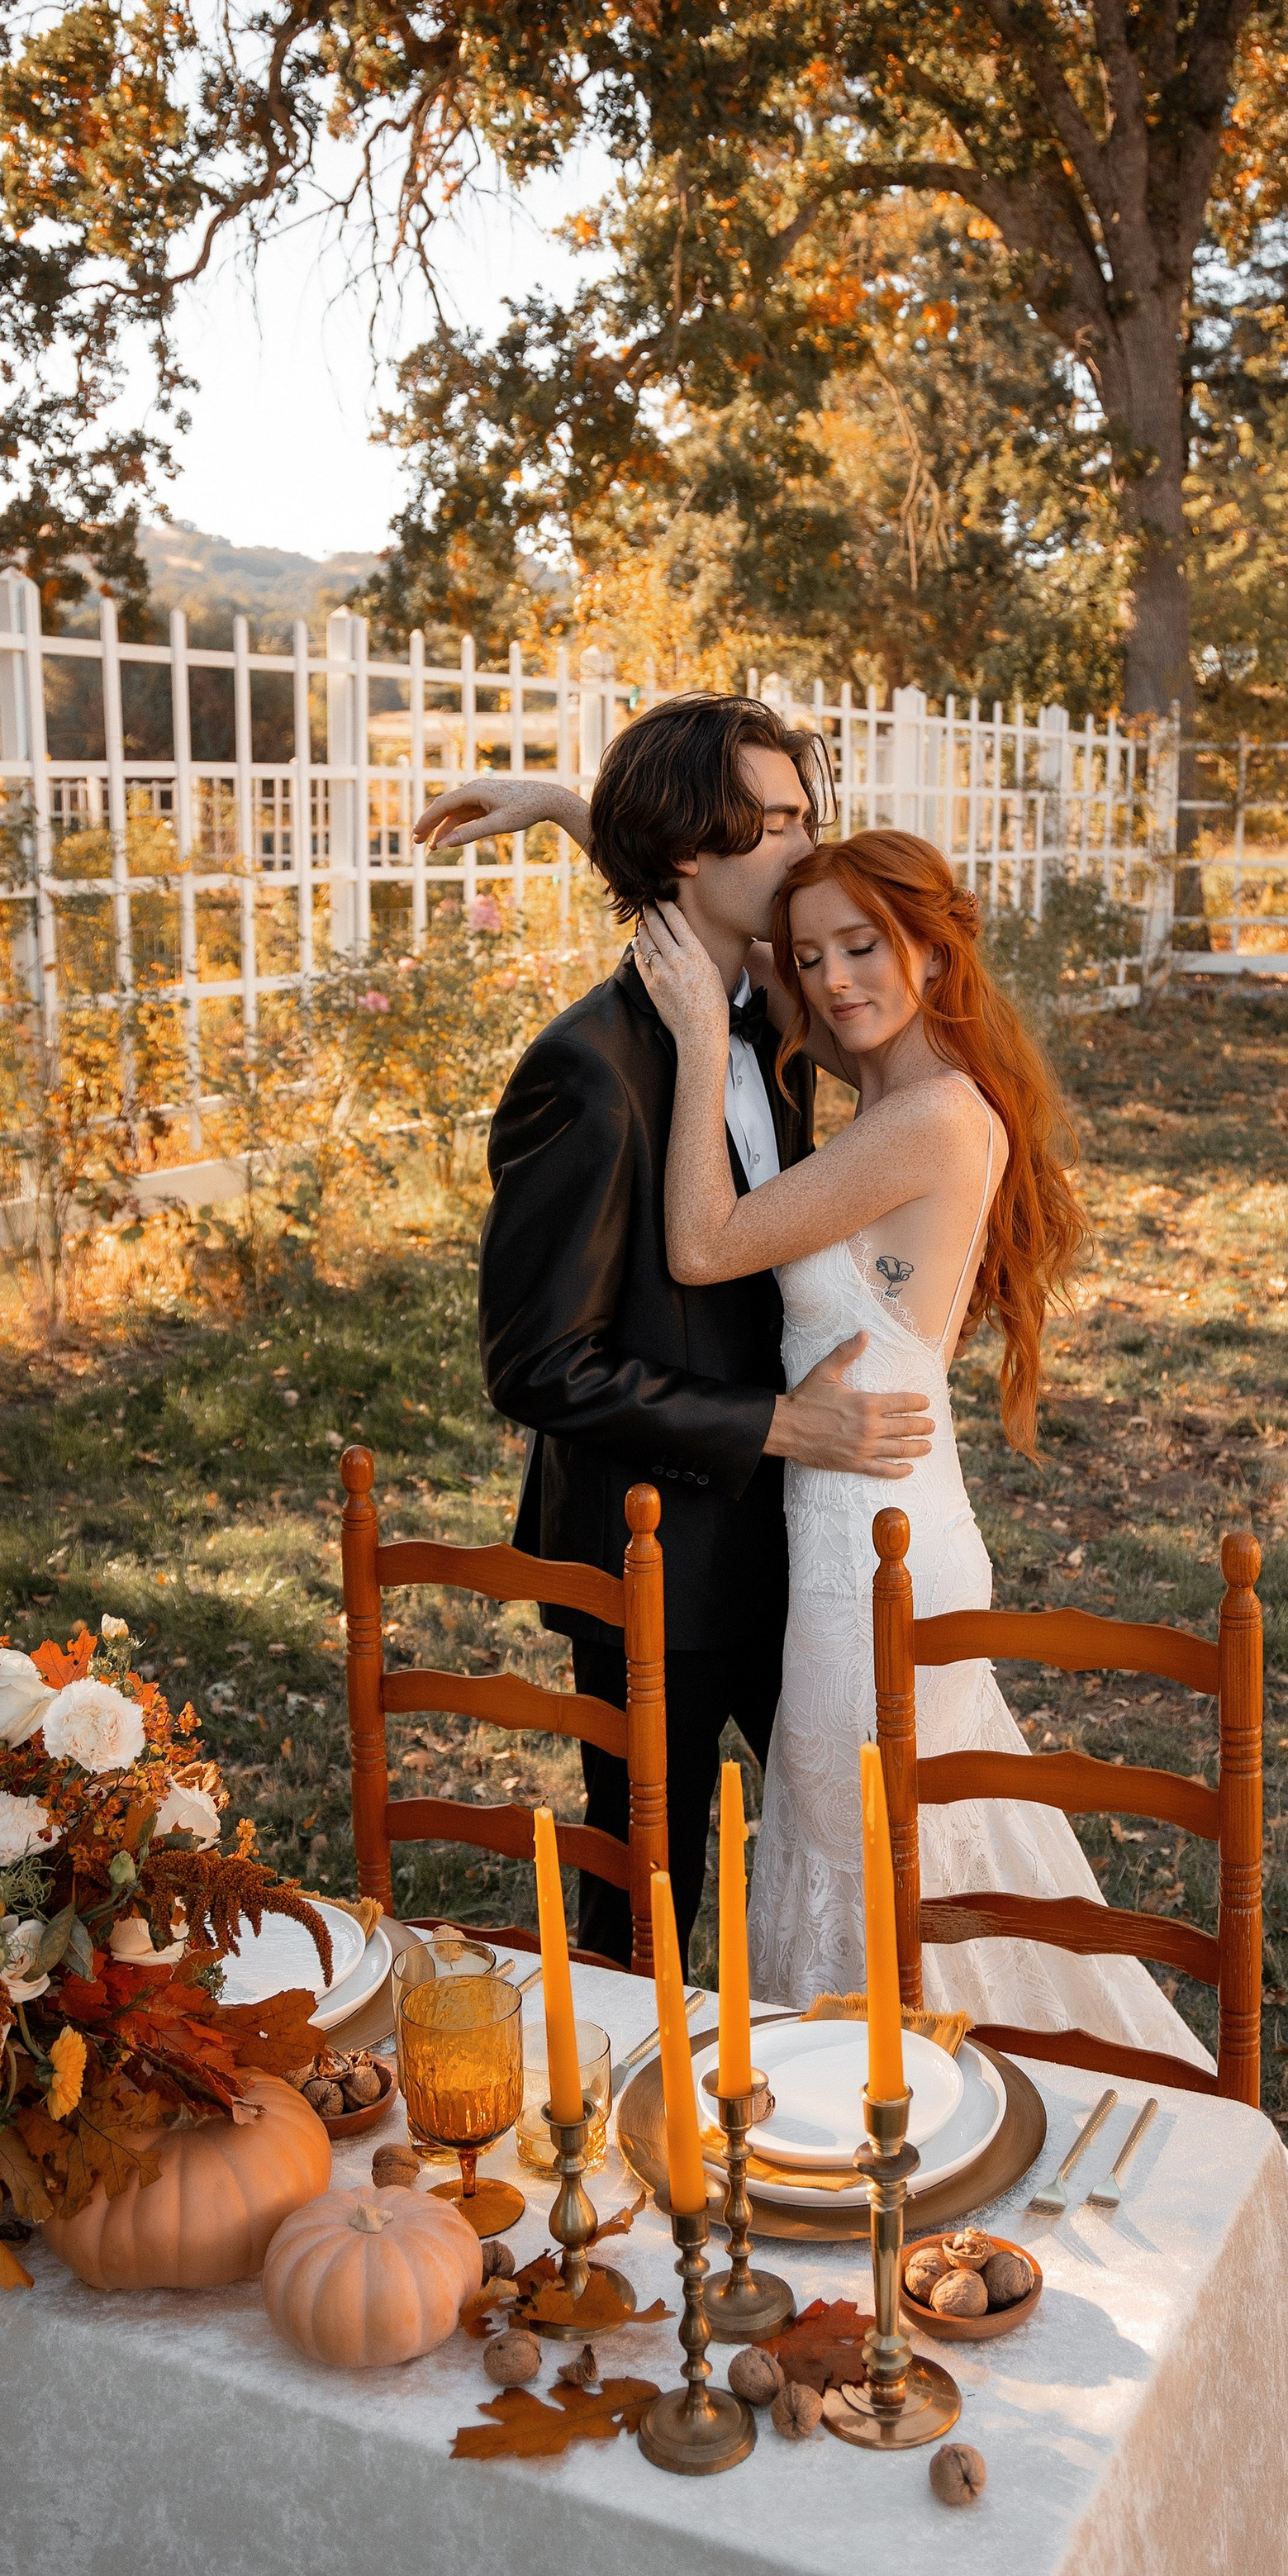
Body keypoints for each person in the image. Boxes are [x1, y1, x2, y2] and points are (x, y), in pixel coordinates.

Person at [629, 828, 1207, 2057]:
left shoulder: (929, 1116)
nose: (833, 981)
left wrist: (692, 1047)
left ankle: (904, 2109)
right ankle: (930, 2093)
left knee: (867, 1862)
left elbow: (701, 1244)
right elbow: (739, 935)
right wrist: (578, 812)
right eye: (814, 952)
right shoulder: (892, 1070)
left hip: (872, 1555)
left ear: (935, 951)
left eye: (865, 947)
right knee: (893, 1853)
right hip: (866, 1526)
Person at [433, 700, 934, 1971]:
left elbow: (687, 877)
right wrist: (777, 1422)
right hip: (649, 1556)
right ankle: (614, 2136)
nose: (799, 848)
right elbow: (538, 1361)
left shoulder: (767, 1008)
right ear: (689, 858)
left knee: (859, 1840)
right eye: (769, 825)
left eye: (803, 816)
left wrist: (563, 807)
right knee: (645, 1896)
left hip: (791, 1531)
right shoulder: (589, 1073)